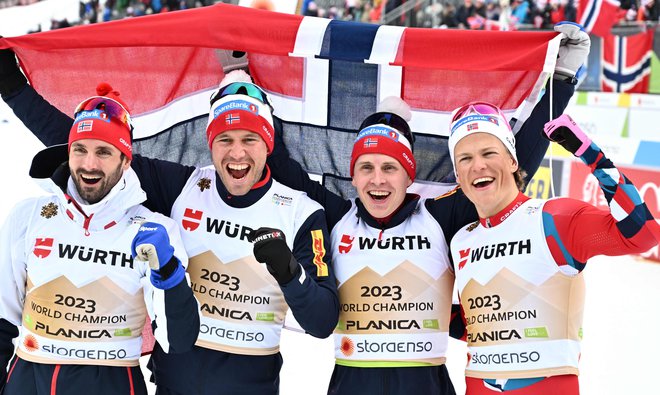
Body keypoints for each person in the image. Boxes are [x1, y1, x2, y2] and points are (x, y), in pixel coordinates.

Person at [263, 23, 588, 395]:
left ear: (408, 176)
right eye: (366, 169)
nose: (378, 180)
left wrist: (560, 79)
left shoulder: (439, 217)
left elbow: (514, 166)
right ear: (353, 178)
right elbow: (277, 163)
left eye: (390, 168)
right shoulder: (336, 218)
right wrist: (244, 87)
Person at [0, 69, 338, 394]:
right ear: (210, 143)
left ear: (269, 144)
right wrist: (13, 87)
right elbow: (98, 150)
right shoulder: (184, 187)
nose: (237, 154)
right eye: (224, 140)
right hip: (172, 385)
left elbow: (322, 322)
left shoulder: (301, 212)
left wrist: (290, 273)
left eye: (250, 139)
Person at [0, 90, 199, 394]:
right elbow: (3, 316)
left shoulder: (155, 230)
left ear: (126, 160)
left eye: (104, 152)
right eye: (80, 149)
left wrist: (168, 271)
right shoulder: (30, 216)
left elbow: (179, 338)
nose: (89, 164)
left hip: (111, 382)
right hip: (30, 380)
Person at [447, 108, 659, 394]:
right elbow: (475, 324)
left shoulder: (553, 219)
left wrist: (591, 155)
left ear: (512, 161)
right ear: (458, 176)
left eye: (488, 153)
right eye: (465, 159)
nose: (478, 166)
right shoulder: (462, 240)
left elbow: (643, 233)